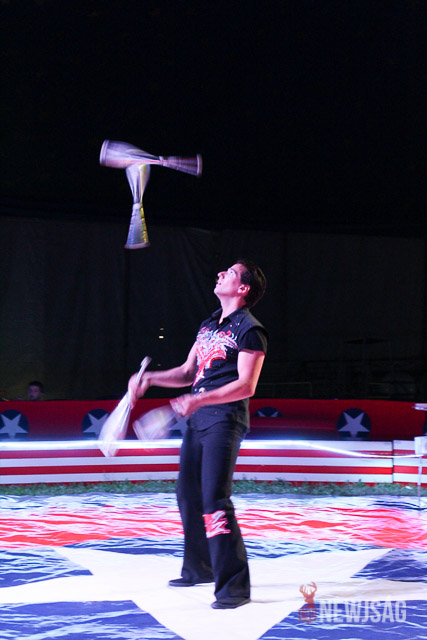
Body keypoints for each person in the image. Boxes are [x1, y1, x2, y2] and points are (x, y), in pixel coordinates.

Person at [129, 259, 268, 609]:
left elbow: (246, 385)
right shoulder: (208, 325)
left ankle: (234, 587)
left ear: (243, 288)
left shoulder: (250, 329)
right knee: (188, 495)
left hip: (224, 419)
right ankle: (199, 568)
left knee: (214, 500)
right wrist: (149, 379)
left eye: (230, 273)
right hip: (198, 418)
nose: (220, 274)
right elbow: (188, 372)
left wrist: (200, 399)